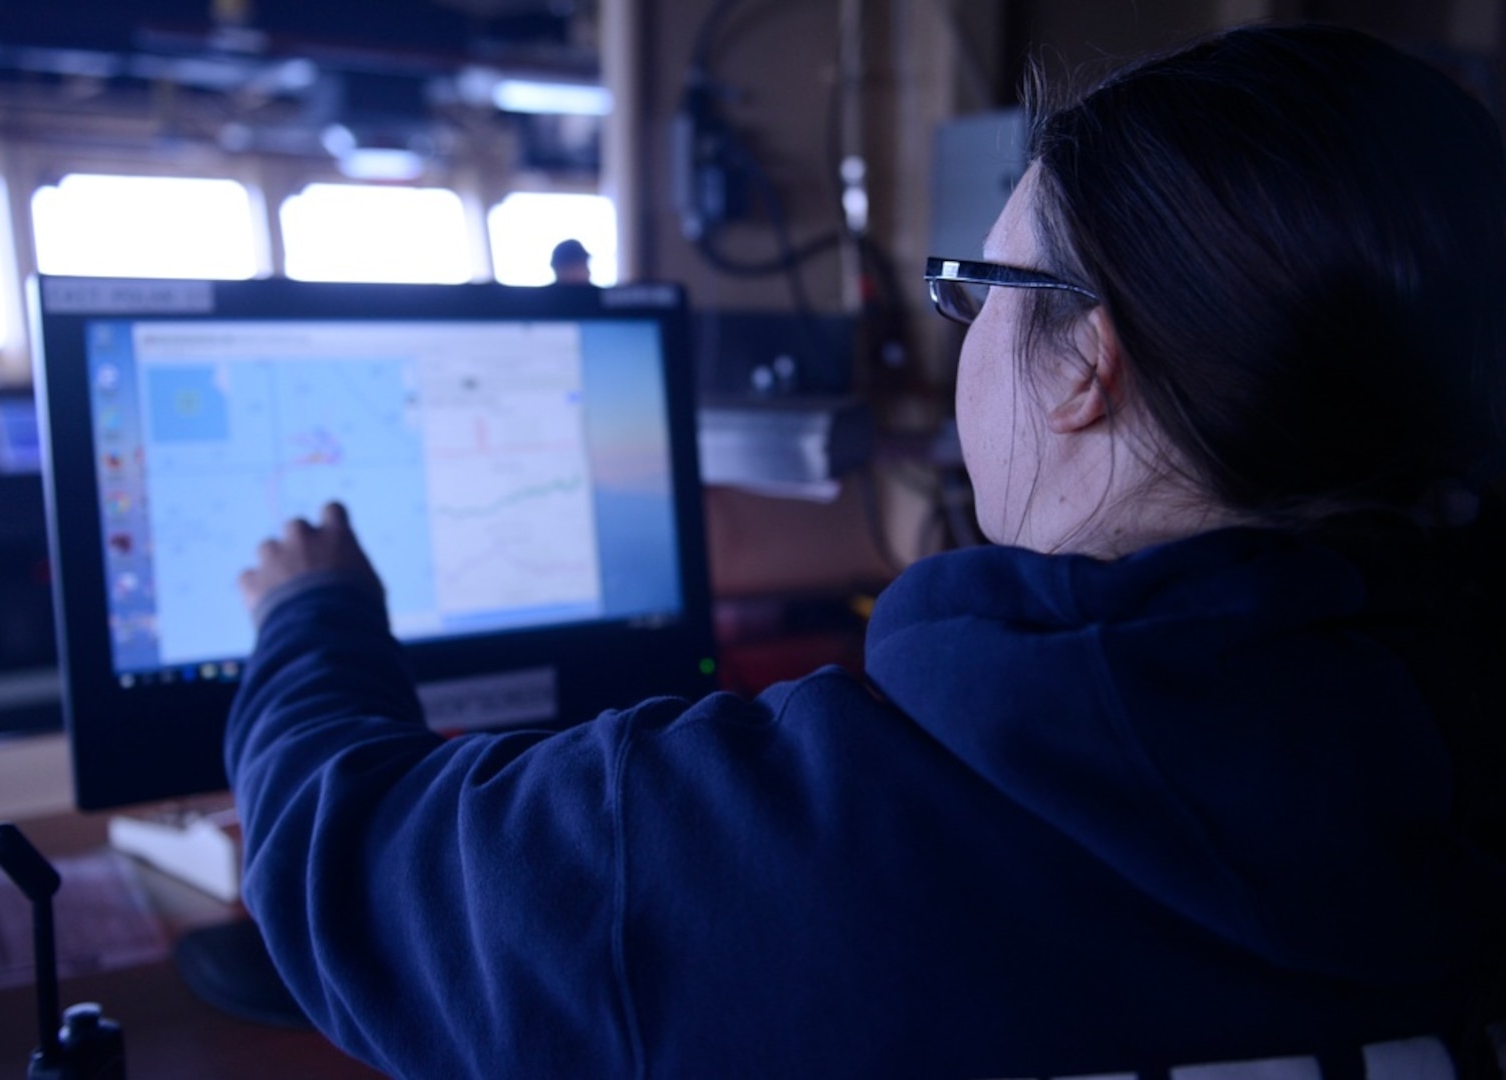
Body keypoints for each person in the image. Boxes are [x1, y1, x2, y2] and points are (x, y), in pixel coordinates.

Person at [228, 23, 1506, 1078]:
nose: (964, 339)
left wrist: (313, 619)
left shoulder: (775, 858)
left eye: (980, 292)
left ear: (1087, 368)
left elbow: (348, 870)